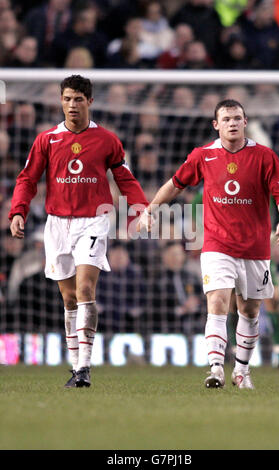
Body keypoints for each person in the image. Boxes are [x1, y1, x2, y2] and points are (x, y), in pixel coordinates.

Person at [137, 98, 279, 390]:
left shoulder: (264, 156)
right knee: (218, 302)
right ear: (216, 125)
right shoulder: (203, 155)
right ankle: (215, 369)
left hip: (255, 249)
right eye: (226, 119)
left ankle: (242, 370)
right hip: (217, 245)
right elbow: (175, 183)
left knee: (249, 311)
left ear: (245, 122)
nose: (232, 123)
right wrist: (151, 208)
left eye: (237, 118)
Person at [9, 74, 148, 388]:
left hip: (94, 220)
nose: (72, 105)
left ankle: (84, 367)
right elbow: (27, 179)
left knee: (86, 290)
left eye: (79, 99)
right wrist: (18, 211)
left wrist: (140, 209)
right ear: (61, 101)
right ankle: (75, 366)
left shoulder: (107, 140)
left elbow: (125, 178)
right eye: (68, 99)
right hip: (57, 224)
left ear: (90, 102)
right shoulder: (46, 140)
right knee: (69, 298)